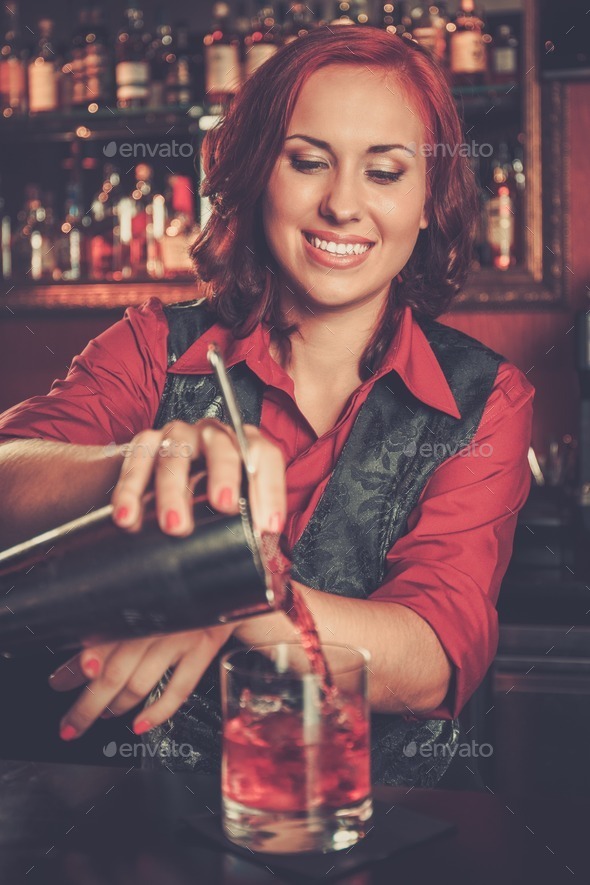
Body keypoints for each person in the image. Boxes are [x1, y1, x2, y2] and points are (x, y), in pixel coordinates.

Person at [0, 26, 533, 787]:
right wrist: (144, 474)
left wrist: (227, 590)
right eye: (309, 161)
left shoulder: (485, 400)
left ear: (427, 202)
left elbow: (430, 653)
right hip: (131, 823)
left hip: (364, 829)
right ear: (257, 177)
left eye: (384, 172)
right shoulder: (156, 348)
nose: (343, 204)